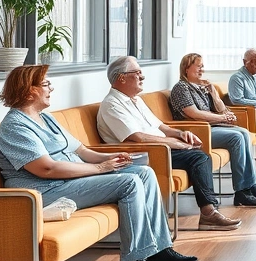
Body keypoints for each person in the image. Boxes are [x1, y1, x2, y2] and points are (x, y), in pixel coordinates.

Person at [0, 65, 197, 261]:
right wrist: (102, 169)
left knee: (145, 173)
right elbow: (46, 169)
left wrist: (109, 158)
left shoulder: (46, 118)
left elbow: (81, 151)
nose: (51, 88)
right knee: (128, 182)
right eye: (45, 84)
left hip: (71, 181)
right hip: (46, 190)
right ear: (29, 91)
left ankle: (159, 250)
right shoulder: (14, 127)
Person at [96, 56, 242, 232]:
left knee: (198, 153)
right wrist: (174, 143)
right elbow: (138, 138)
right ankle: (209, 213)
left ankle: (209, 212)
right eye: (138, 73)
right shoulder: (112, 104)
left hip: (160, 148)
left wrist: (181, 134)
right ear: (121, 77)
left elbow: (161, 126)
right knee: (199, 157)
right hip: (145, 154)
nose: (142, 77)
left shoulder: (136, 100)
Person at [170, 53, 256, 208]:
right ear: (186, 68)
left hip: (211, 127)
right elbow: (194, 113)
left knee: (244, 133)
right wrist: (222, 119)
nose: (202, 69)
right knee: (236, 137)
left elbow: (222, 110)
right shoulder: (181, 88)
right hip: (197, 132)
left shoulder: (202, 87)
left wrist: (213, 93)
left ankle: (251, 186)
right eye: (198, 66)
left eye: (202, 66)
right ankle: (241, 192)